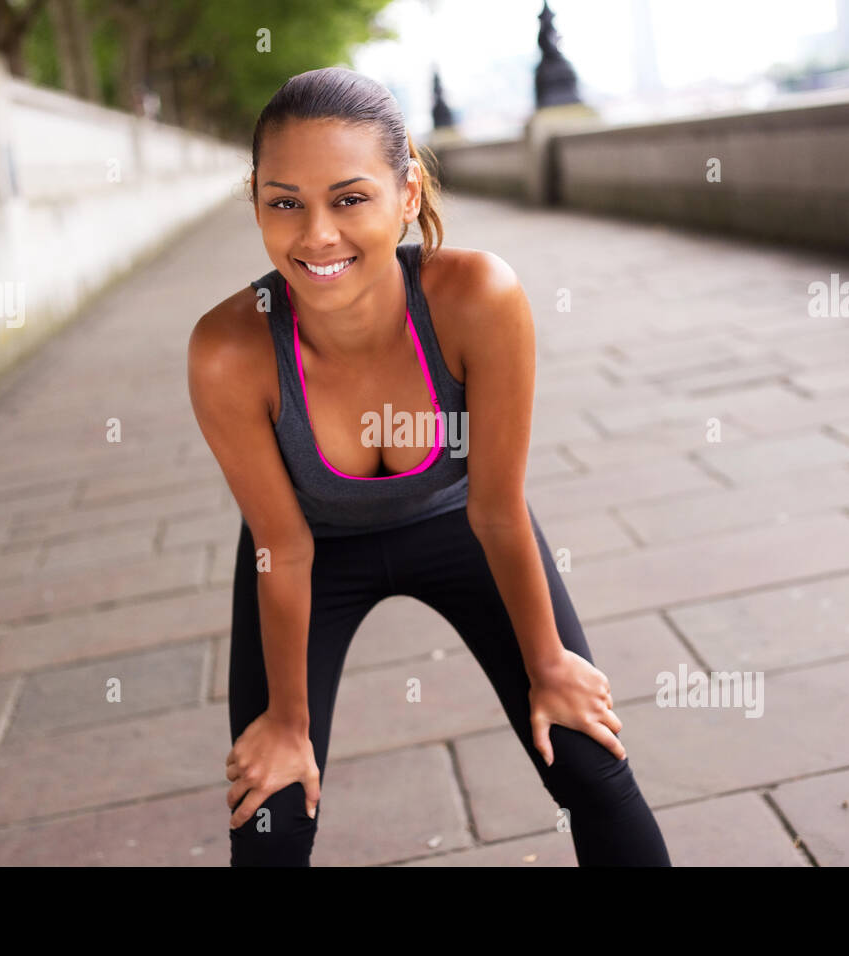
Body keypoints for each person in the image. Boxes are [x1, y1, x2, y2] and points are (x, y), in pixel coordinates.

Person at [186, 66, 671, 867]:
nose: (316, 236)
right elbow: (284, 546)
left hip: (465, 525)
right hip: (310, 551)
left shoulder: (477, 296)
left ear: (407, 194)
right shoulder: (228, 350)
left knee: (590, 759)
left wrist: (550, 666)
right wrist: (286, 722)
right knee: (270, 818)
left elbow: (497, 510)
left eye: (349, 198)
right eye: (285, 203)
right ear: (256, 202)